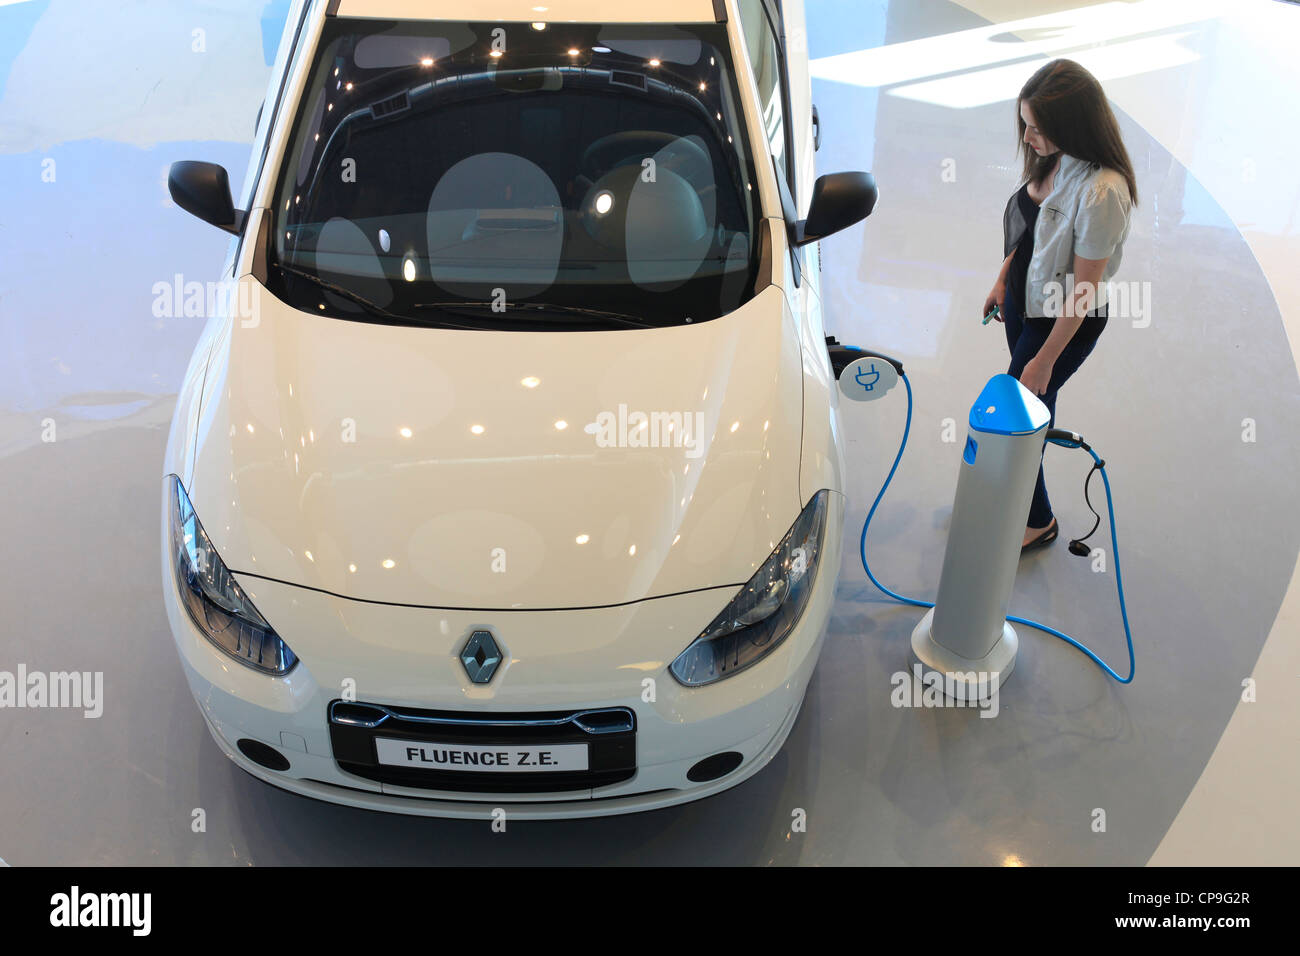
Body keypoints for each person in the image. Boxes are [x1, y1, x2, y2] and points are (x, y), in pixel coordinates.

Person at [983, 59, 1137, 554]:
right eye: (1025, 124)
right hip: (1026, 302)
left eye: (1035, 128)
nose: (1027, 137)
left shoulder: (1102, 192)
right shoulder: (1057, 157)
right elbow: (1032, 229)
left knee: (1021, 423)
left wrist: (1045, 358)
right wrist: (1004, 277)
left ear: (1070, 126)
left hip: (1062, 320)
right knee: (1023, 413)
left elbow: (1084, 289)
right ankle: (1021, 504)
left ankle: (1037, 521)